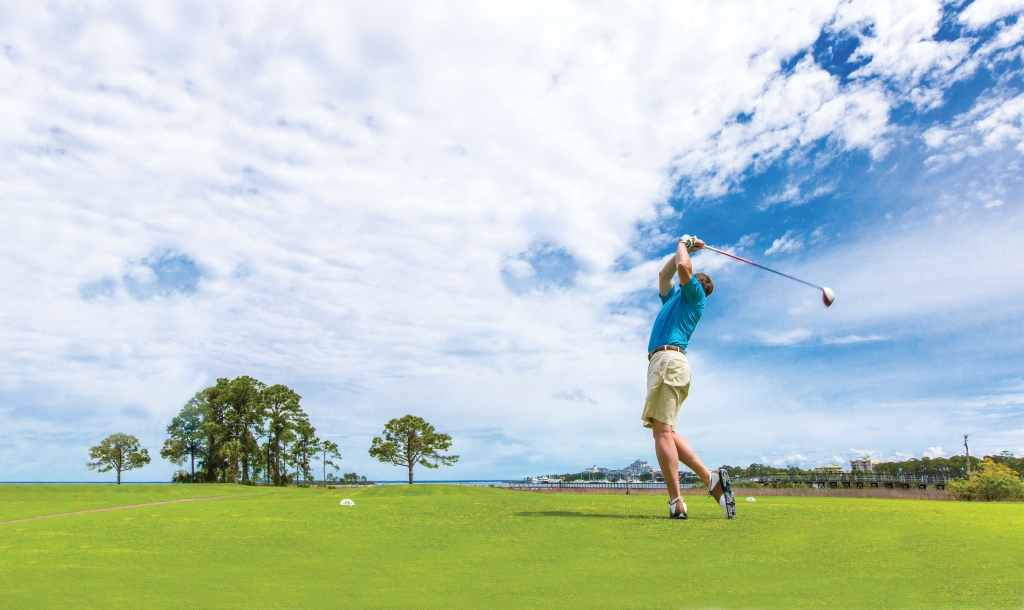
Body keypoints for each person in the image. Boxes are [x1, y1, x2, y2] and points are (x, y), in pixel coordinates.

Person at [643, 234, 735, 520]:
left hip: (668, 361)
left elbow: (683, 269)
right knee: (666, 432)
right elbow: (664, 274)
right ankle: (711, 479)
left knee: (661, 433)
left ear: (696, 283)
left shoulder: (694, 296)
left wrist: (683, 243)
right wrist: (686, 248)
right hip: (667, 363)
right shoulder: (675, 299)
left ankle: (677, 502)